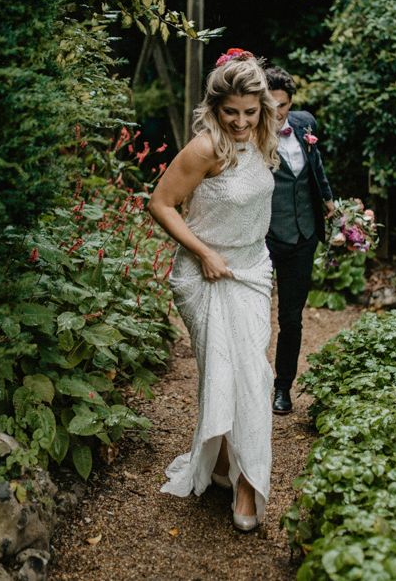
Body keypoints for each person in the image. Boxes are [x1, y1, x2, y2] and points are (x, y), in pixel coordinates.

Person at [148, 48, 279, 532]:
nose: (241, 122)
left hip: (252, 270)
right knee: (230, 373)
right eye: (231, 112)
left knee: (252, 374)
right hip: (205, 274)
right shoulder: (205, 149)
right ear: (215, 107)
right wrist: (204, 252)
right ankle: (246, 482)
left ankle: (231, 467)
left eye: (250, 112)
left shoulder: (264, 139)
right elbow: (161, 204)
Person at [265, 66, 334, 415]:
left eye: (283, 106)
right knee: (254, 317)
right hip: (262, 238)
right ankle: (248, 382)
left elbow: (316, 163)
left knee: (291, 318)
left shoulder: (306, 124)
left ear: (291, 103)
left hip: (304, 236)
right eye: (270, 105)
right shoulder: (247, 135)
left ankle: (283, 387)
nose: (277, 113)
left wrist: (329, 201)